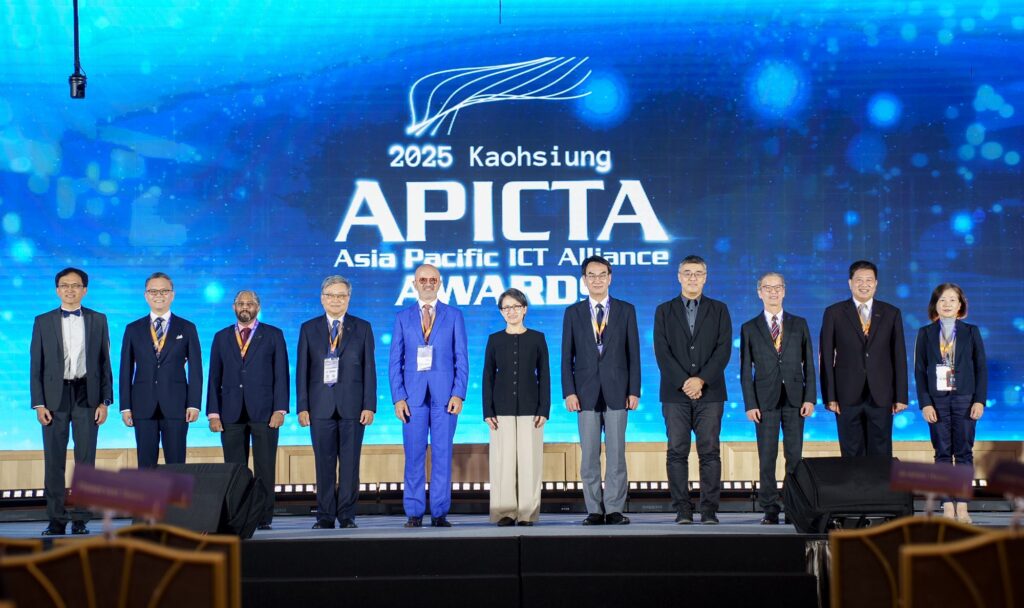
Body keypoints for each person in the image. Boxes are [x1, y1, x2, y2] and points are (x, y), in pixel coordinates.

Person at [30, 267, 112, 535]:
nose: (70, 290)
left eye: (75, 285)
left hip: (87, 394)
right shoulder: (42, 321)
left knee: (86, 460)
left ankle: (80, 520)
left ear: (84, 290)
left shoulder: (98, 319)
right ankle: (56, 519)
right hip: (54, 398)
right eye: (64, 285)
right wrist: (39, 403)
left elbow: (104, 362)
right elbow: (36, 366)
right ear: (57, 290)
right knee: (54, 460)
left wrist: (105, 402)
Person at [653, 255, 732, 525]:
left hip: (711, 392)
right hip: (675, 394)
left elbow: (723, 350)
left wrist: (701, 380)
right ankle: (683, 510)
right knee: (677, 451)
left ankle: (709, 510)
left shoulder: (719, 309)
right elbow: (662, 352)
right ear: (679, 277)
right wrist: (685, 382)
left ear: (705, 277)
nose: (692, 278)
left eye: (698, 273)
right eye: (687, 273)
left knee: (709, 452)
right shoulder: (664, 310)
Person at [562, 255, 640, 526]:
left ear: (610, 278)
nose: (597, 280)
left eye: (602, 274)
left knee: (617, 455)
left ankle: (615, 509)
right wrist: (569, 392)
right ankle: (594, 509)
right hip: (584, 393)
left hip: (618, 391)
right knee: (589, 456)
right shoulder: (573, 312)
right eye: (591, 275)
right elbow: (566, 357)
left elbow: (634, 354)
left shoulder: (626, 310)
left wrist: (634, 390)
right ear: (584, 280)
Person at [389, 264, 468, 528]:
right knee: (414, 455)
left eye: (433, 279)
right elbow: (395, 361)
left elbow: (461, 358)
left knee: (442, 455)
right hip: (412, 398)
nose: (428, 283)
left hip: (445, 398)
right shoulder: (402, 317)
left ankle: (439, 512)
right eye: (423, 279)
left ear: (440, 283)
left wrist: (459, 393)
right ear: (414, 284)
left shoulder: (454, 315)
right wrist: (398, 397)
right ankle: (414, 512)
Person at [296, 276, 376, 529]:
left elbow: (369, 369)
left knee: (350, 464)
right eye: (331, 295)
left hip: (353, 407)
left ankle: (347, 515)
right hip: (319, 407)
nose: (336, 300)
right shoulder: (308, 329)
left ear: (348, 299)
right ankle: (325, 515)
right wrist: (302, 406)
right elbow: (302, 371)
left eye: (341, 295)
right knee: (324, 464)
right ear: (322, 299)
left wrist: (369, 405)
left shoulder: (363, 328)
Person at [207, 290, 289, 530]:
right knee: (234, 469)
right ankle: (237, 516)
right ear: (234, 307)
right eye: (241, 303)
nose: (245, 307)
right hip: (230, 413)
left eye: (250, 303)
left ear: (258, 307)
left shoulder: (273, 334)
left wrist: (280, 409)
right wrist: (213, 413)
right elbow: (214, 377)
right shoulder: (221, 337)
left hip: (265, 412)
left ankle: (262, 517)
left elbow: (281, 374)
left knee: (265, 467)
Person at [739, 272, 815, 525]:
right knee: (767, 457)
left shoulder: (799, 323)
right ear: (759, 292)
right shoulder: (750, 327)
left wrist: (810, 398)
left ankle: (794, 507)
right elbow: (745, 370)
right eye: (767, 288)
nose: (773, 292)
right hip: (764, 402)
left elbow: (809, 364)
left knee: (794, 458)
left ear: (784, 291)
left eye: (777, 287)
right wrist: (750, 404)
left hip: (795, 400)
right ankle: (770, 508)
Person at [820, 260, 908, 458]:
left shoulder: (891, 313)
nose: (864, 284)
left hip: (882, 394)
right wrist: (830, 396)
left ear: (876, 283)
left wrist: (901, 396)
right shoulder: (834, 313)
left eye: (869, 280)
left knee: (881, 453)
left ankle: (880, 481)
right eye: (859, 280)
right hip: (846, 395)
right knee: (851, 453)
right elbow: (826, 357)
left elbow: (899, 356)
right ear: (850, 283)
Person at [914, 283, 986, 523]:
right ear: (935, 305)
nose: (947, 304)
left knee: (964, 453)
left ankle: (962, 505)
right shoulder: (925, 333)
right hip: (937, 400)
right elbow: (919, 371)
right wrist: (925, 403)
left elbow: (981, 368)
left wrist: (979, 400)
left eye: (952, 300)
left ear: (960, 305)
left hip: (965, 398)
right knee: (942, 453)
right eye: (942, 300)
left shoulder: (971, 331)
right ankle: (946, 505)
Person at [119, 272, 203, 468]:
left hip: (177, 405)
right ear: (146, 295)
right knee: (145, 464)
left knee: (176, 463)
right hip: (142, 404)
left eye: (164, 291)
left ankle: (176, 491)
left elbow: (196, 369)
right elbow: (125, 369)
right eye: (153, 291)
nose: (159, 295)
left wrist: (194, 404)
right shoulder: (133, 329)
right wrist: (126, 406)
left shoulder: (187, 327)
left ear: (172, 295)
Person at [482, 288, 550, 526]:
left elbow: (545, 375)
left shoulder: (537, 338)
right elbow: (488, 376)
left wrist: (544, 409)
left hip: (532, 409)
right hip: (500, 409)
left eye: (516, 307)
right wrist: (488, 411)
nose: (511, 311)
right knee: (503, 462)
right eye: (506, 308)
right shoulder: (494, 340)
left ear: (525, 309)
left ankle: (527, 514)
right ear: (501, 312)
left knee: (530, 462)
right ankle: (505, 512)